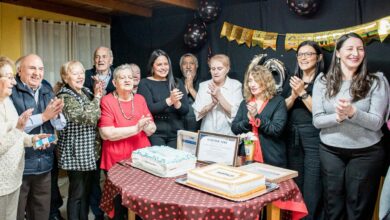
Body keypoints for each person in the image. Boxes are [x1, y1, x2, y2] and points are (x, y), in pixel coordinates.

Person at [312, 33, 390, 220]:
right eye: (350, 48)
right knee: (333, 206)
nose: (356, 53)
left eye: (360, 48)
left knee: (358, 209)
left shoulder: (376, 81)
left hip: (366, 153)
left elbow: (377, 122)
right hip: (330, 152)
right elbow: (317, 120)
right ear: (338, 53)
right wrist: (338, 117)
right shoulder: (323, 82)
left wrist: (353, 112)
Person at [11, 54, 66, 220]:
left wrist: (56, 115)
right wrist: (44, 116)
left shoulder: (46, 90)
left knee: (41, 211)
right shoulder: (10, 92)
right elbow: (13, 126)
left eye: (40, 69)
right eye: (32, 68)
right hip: (20, 165)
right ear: (19, 70)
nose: (37, 73)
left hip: (45, 162)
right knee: (16, 213)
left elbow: (60, 125)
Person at [98, 64, 156, 219]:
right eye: (122, 77)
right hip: (116, 160)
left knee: (141, 202)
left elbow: (151, 129)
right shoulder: (107, 100)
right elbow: (106, 133)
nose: (127, 80)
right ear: (114, 82)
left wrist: (148, 126)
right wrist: (136, 128)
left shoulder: (140, 99)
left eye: (130, 77)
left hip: (141, 158)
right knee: (118, 205)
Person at [0, 56, 51, 220]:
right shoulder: (12, 96)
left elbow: (16, 133)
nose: (13, 82)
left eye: (41, 69)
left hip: (13, 176)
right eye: (9, 77)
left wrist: (33, 139)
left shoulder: (6, 101)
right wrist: (42, 117)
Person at [282, 41, 324, 219]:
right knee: (295, 183)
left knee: (313, 186)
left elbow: (320, 112)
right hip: (292, 135)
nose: (304, 58)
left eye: (308, 54)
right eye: (300, 55)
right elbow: (281, 109)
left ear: (319, 57)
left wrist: (303, 93)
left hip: (314, 137)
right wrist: (293, 94)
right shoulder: (292, 80)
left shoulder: (325, 81)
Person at [56, 60, 102, 220]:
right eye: (75, 73)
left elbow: (98, 115)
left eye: (81, 73)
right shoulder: (64, 97)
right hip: (75, 153)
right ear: (65, 77)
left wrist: (95, 98)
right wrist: (97, 98)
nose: (80, 76)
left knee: (86, 193)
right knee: (76, 194)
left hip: (89, 151)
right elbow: (89, 117)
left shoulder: (86, 91)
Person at [231, 56, 287, 167]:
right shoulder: (245, 103)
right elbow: (234, 128)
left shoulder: (278, 102)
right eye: (250, 80)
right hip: (247, 157)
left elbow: (276, 130)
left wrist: (257, 116)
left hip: (271, 159)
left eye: (256, 80)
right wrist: (248, 120)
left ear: (266, 82)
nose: (252, 84)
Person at [84, 46, 115, 220]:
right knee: (93, 177)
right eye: (97, 57)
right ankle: (97, 213)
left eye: (104, 57)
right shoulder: (85, 75)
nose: (101, 60)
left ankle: (116, 211)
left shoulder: (118, 77)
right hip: (90, 134)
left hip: (112, 133)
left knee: (113, 176)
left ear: (111, 60)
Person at [137, 49, 188, 148]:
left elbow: (186, 110)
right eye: (159, 64)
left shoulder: (177, 82)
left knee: (175, 162)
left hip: (176, 133)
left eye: (166, 64)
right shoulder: (144, 83)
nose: (163, 67)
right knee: (159, 162)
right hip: (156, 133)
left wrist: (177, 103)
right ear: (152, 66)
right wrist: (170, 101)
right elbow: (149, 109)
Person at [193, 54, 243, 136]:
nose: (215, 72)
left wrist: (219, 97)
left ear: (227, 69)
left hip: (228, 134)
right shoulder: (203, 86)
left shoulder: (236, 85)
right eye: (213, 69)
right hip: (207, 134)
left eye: (219, 68)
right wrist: (212, 104)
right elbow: (198, 113)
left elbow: (237, 114)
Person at [179, 53, 201, 131]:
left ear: (196, 66)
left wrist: (191, 88)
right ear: (181, 67)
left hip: (198, 128)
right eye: (185, 64)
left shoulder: (203, 83)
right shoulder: (175, 83)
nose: (188, 67)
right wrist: (185, 89)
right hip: (179, 127)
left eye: (191, 63)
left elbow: (203, 104)